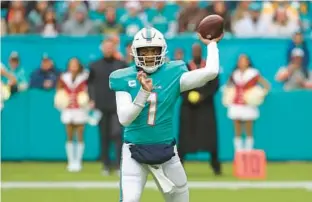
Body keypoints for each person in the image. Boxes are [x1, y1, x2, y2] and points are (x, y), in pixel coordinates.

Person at [109, 27, 222, 202]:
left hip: (166, 152)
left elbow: (211, 72)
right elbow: (125, 119)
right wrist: (143, 93)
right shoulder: (124, 78)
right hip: (134, 151)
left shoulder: (173, 73)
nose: (149, 56)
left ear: (162, 51)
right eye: (144, 51)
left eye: (154, 50)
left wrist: (212, 44)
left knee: (181, 199)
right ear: (135, 52)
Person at [179, 43, 221, 175]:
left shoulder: (209, 67)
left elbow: (214, 85)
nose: (196, 52)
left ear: (201, 52)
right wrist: (188, 97)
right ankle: (179, 168)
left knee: (210, 138)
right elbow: (179, 84)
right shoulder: (185, 67)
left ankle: (215, 166)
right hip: (188, 108)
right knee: (185, 138)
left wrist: (202, 96)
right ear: (191, 52)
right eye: (194, 50)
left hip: (206, 107)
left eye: (198, 50)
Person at [87, 38, 127, 176]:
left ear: (115, 48)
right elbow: (90, 84)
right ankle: (105, 164)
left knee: (117, 135)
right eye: (106, 47)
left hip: (118, 106)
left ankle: (118, 165)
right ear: (102, 48)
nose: (108, 49)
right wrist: (91, 99)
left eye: (111, 47)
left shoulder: (122, 64)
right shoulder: (94, 65)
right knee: (103, 136)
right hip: (101, 106)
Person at [227, 54, 270, 151]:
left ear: (248, 62)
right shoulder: (234, 74)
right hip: (236, 104)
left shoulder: (253, 73)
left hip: (248, 105)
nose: (242, 62)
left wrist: (258, 95)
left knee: (248, 127)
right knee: (237, 126)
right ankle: (238, 151)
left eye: (244, 60)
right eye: (240, 60)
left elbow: (266, 85)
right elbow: (228, 86)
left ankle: (248, 150)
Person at [57, 58, 89, 172]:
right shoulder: (63, 77)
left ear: (79, 65)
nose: (73, 66)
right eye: (71, 64)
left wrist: (86, 99)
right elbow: (59, 90)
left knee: (80, 134)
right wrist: (62, 101)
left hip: (80, 109)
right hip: (68, 109)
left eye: (75, 64)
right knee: (69, 135)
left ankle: (78, 161)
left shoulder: (85, 76)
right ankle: (71, 161)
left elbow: (88, 90)